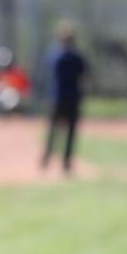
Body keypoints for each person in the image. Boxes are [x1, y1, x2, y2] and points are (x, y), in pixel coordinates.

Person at [40, 20, 87, 174]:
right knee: (68, 133)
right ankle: (65, 162)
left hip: (57, 97)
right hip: (72, 98)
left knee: (54, 131)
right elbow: (84, 78)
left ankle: (47, 158)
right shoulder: (77, 57)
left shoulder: (55, 56)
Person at [0, 45, 31, 114]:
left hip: (18, 101)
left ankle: (13, 112)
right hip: (1, 103)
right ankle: (2, 111)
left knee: (9, 93)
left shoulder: (17, 72)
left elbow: (26, 90)